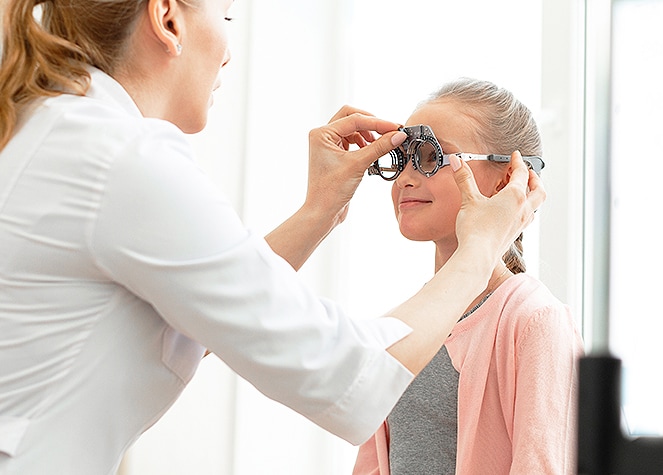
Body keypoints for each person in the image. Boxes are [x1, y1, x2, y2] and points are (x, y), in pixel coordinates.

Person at [0, 1, 545, 473]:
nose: (229, 53)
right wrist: (479, 250)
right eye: (227, 15)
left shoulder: (70, 136)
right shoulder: (122, 161)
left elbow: (205, 311)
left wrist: (319, 211)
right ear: (168, 19)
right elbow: (345, 376)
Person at [353, 78, 583, 475]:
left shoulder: (534, 322)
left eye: (431, 155)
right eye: (402, 157)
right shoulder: (402, 325)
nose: (407, 177)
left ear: (507, 177)